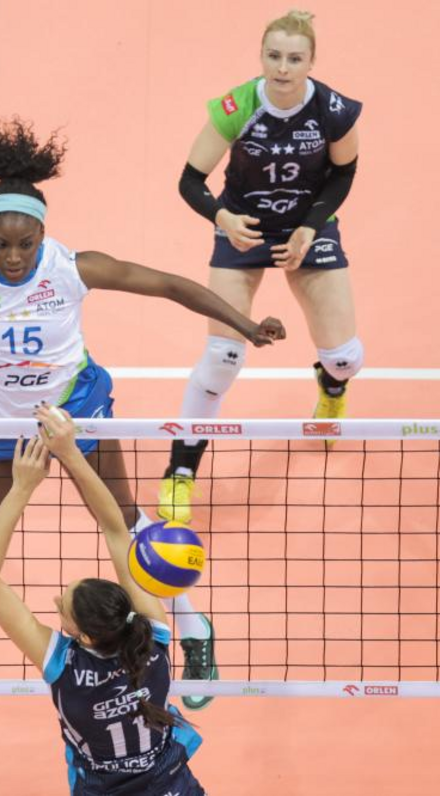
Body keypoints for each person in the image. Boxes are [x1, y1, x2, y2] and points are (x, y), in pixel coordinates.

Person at [0, 118, 284, 763]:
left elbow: (171, 286)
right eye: (1, 243)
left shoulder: (71, 268)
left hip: (79, 416)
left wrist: (245, 325)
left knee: (130, 530)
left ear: (43, 234)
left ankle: (194, 629)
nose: (13, 256)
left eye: (25, 243)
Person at [158, 9, 362, 524]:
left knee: (345, 357)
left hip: (306, 230)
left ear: (311, 62)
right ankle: (180, 471)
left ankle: (332, 387)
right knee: (221, 358)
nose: (283, 68)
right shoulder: (237, 107)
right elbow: (190, 180)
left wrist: (310, 227)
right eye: (274, 56)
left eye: (294, 58)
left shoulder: (333, 110)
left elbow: (344, 171)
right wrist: (222, 217)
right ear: (262, 57)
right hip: (243, 229)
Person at [0, 406, 204, 795]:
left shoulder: (65, 667)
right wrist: (72, 453)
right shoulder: (153, 637)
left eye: (62, 610)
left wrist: (22, 487)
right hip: (173, 786)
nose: (56, 600)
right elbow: (116, 528)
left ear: (85, 637)